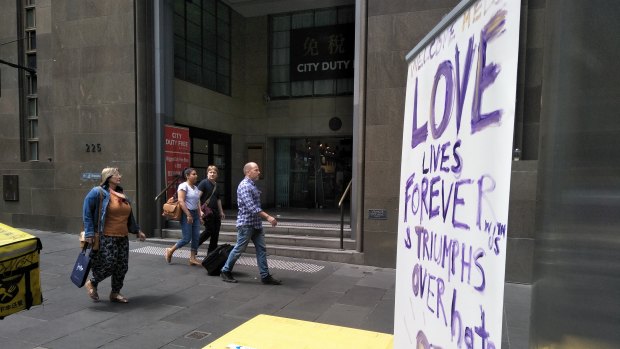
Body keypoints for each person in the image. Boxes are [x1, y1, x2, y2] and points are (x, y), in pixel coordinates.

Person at [82, 167, 146, 303]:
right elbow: (87, 212)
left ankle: (115, 293)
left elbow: (129, 216)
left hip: (122, 236)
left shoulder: (121, 194)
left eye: (119, 174)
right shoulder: (97, 192)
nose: (119, 176)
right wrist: (89, 232)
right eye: (116, 174)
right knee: (108, 263)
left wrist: (137, 231)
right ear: (108, 177)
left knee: (122, 266)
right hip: (106, 235)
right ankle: (92, 282)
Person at [220, 162, 281, 285]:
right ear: (248, 172)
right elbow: (252, 207)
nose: (259, 172)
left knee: (261, 250)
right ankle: (225, 270)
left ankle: (265, 276)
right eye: (256, 170)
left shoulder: (251, 185)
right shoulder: (244, 186)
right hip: (246, 224)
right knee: (238, 249)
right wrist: (268, 217)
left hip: (256, 224)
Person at [164, 167, 203, 266]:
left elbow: (198, 201)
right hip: (187, 213)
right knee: (186, 238)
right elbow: (181, 201)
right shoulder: (183, 186)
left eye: (196, 174)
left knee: (196, 237)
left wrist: (200, 215)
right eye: (193, 174)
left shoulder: (196, 188)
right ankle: (170, 250)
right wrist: (188, 215)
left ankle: (192, 258)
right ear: (187, 176)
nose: (196, 176)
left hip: (195, 214)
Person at [197, 165, 225, 254]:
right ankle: (195, 245)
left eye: (214, 172)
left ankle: (211, 253)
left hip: (215, 212)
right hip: (207, 212)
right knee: (209, 230)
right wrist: (199, 211)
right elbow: (197, 197)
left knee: (216, 233)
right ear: (207, 173)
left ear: (217, 174)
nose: (212, 174)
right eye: (210, 172)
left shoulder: (217, 185)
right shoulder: (203, 183)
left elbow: (218, 199)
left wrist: (221, 211)